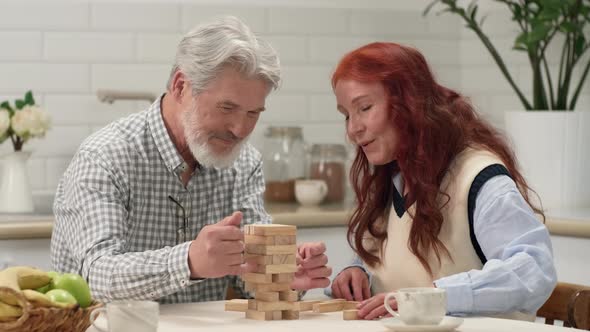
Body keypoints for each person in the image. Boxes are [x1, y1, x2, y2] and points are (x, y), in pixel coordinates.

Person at [50, 16, 331, 304]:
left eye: (253, 113)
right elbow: (96, 277)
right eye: (227, 107)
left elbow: (247, 275)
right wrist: (188, 261)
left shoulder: (244, 164)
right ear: (181, 86)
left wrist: (280, 280)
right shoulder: (105, 157)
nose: (240, 130)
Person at [328, 42, 557, 320]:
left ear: (408, 103)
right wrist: (359, 272)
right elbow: (396, 262)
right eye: (346, 115)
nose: (353, 129)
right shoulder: (392, 176)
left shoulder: (479, 179)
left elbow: (535, 271)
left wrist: (437, 296)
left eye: (364, 108)